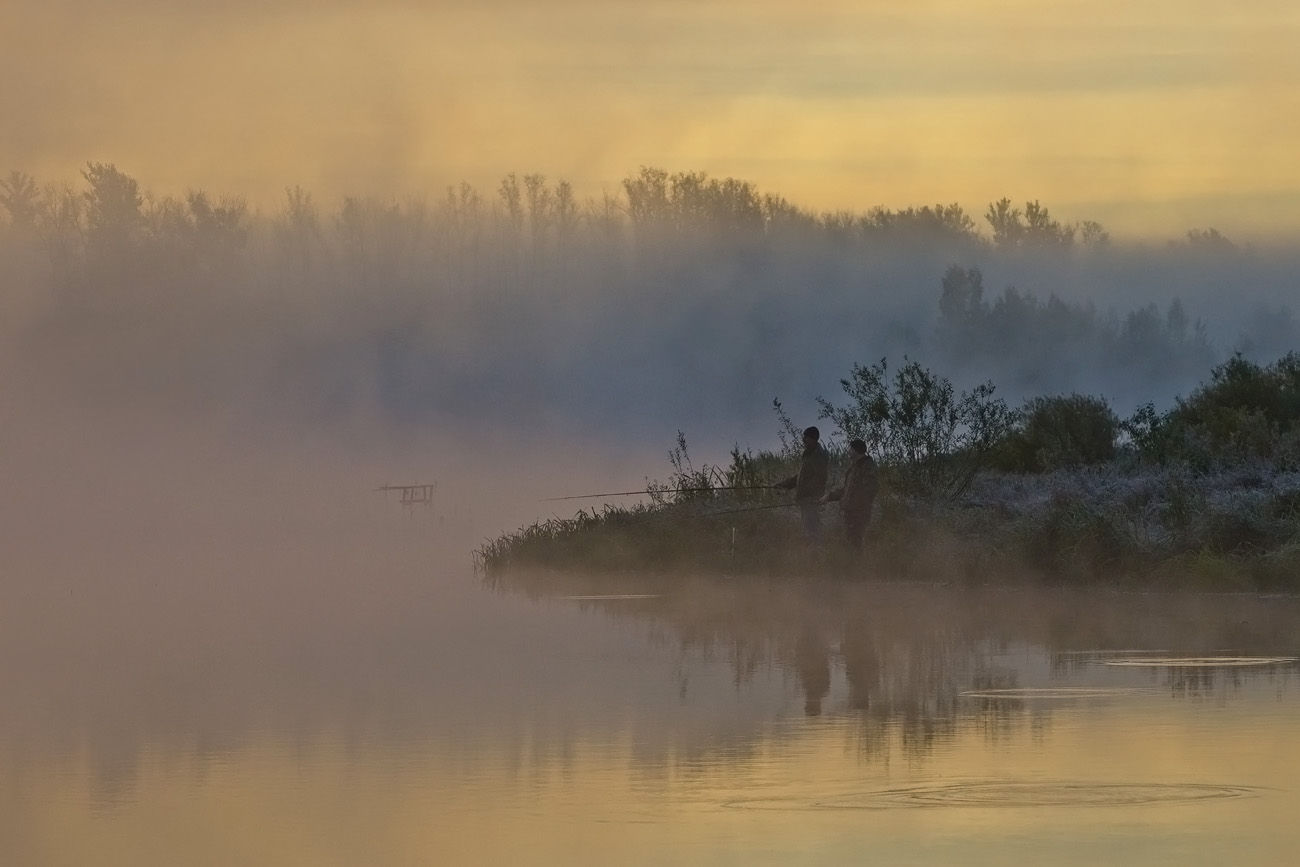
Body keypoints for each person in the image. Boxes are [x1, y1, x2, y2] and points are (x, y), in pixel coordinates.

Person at [821, 438, 879, 552]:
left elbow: (871, 490)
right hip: (850, 514)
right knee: (851, 543)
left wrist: (858, 507)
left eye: (850, 449)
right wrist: (829, 496)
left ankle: (858, 568)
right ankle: (853, 566)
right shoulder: (853, 468)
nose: (848, 451)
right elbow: (846, 490)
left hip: (859, 515)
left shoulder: (868, 467)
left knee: (856, 545)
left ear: (856, 450)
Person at [775, 426, 830, 542]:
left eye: (806, 437)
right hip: (806, 500)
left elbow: (820, 480)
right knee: (809, 531)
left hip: (811, 500)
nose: (803, 439)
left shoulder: (818, 455)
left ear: (813, 438)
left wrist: (808, 496)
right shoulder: (810, 455)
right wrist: (784, 485)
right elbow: (801, 478)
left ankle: (817, 555)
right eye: (803, 436)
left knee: (813, 531)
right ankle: (812, 554)